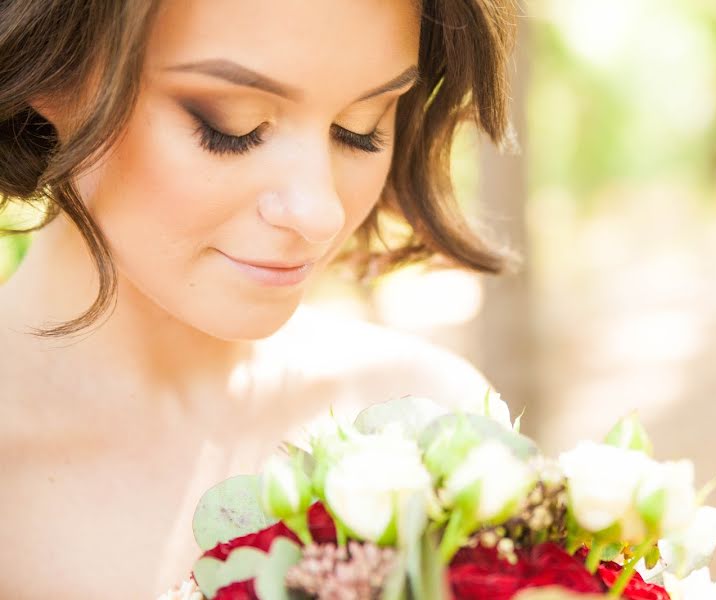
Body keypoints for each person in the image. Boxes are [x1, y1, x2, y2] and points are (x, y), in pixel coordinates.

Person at [0, 0, 519, 597]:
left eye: (361, 126)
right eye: (232, 126)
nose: (319, 212)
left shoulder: (440, 427)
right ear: (50, 71)